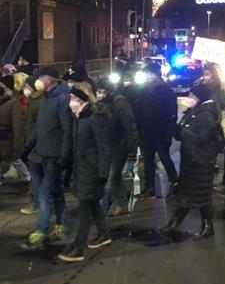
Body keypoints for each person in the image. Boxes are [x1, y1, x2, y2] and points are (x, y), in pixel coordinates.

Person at [162, 82, 225, 240]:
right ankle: (179, 224)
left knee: (196, 195)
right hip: (193, 160)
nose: (189, 98)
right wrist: (178, 130)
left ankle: (187, 225)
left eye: (192, 95)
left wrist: (183, 132)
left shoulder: (205, 115)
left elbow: (202, 137)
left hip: (200, 161)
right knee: (192, 194)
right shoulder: (196, 111)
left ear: (199, 97)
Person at [58, 86, 112, 263]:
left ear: (81, 100)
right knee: (92, 203)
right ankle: (104, 234)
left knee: (85, 209)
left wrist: (103, 173)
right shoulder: (79, 117)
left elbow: (104, 147)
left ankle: (78, 247)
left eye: (72, 97)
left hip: (92, 170)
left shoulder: (93, 118)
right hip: (82, 169)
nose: (70, 101)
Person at [23, 67, 72, 251]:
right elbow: (39, 126)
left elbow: (67, 130)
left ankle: (42, 229)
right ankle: (62, 222)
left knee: (44, 193)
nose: (39, 81)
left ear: (50, 79)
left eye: (42, 77)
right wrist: (28, 147)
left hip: (55, 155)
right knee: (56, 191)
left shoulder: (62, 99)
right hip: (43, 152)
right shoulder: (46, 98)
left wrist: (65, 155)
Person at [95, 77, 139, 217]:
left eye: (101, 91)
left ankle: (114, 206)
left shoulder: (120, 104)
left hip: (120, 146)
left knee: (112, 177)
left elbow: (131, 127)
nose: (99, 94)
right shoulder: (108, 102)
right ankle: (122, 204)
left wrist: (132, 151)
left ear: (108, 91)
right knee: (115, 177)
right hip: (112, 144)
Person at [135, 62, 179, 199]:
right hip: (145, 133)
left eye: (150, 74)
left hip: (161, 134)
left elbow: (172, 115)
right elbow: (139, 109)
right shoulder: (143, 90)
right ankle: (149, 188)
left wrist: (168, 134)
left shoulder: (168, 92)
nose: (148, 77)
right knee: (148, 163)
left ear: (157, 75)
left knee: (165, 159)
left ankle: (175, 183)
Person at [0, 75, 31, 201]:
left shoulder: (13, 103)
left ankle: (26, 180)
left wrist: (17, 144)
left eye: (2, 85)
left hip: (7, 138)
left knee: (14, 160)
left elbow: (17, 125)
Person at [19, 76, 45, 215]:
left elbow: (35, 127)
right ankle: (40, 203)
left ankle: (36, 204)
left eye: (27, 86)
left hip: (35, 146)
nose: (25, 89)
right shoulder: (35, 101)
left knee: (36, 178)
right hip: (35, 145)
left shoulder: (37, 103)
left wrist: (28, 145)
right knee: (39, 177)